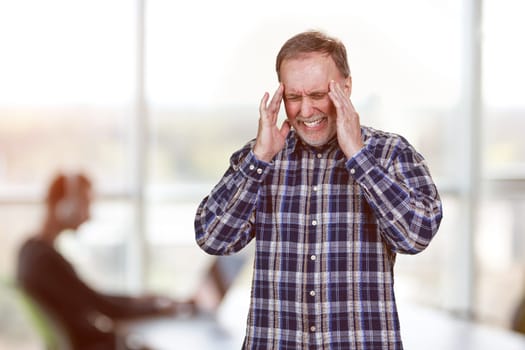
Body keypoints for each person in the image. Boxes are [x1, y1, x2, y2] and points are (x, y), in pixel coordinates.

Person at [194, 30, 443, 349]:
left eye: (317, 95)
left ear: (346, 88)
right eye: (294, 98)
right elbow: (212, 237)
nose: (306, 111)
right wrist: (259, 159)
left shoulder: (391, 153)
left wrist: (359, 157)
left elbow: (416, 236)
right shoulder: (259, 158)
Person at [16, 172, 190, 350]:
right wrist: (158, 308)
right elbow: (103, 307)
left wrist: (138, 300)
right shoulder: (45, 260)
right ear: (66, 206)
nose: (89, 214)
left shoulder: (29, 250)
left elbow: (90, 297)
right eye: (85, 203)